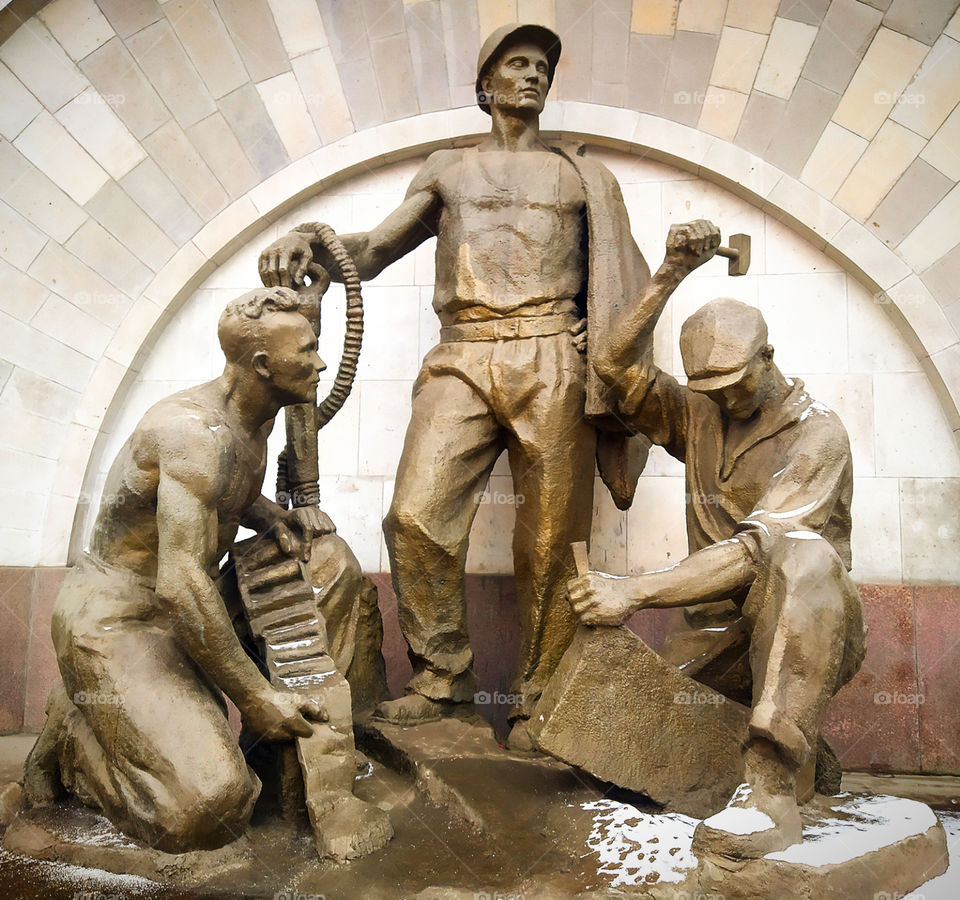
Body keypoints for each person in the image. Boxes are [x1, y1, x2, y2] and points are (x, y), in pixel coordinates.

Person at [259, 24, 650, 745]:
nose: (532, 76)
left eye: (541, 68)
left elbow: (622, 275)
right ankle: (442, 681)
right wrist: (309, 241)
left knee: (552, 538)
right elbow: (372, 250)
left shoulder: (580, 175)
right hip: (462, 353)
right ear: (486, 85)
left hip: (550, 353)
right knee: (415, 515)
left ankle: (540, 701)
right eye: (516, 64)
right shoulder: (449, 168)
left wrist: (603, 334)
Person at [23, 287, 386, 852]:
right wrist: (256, 698)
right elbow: (180, 583)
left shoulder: (257, 418)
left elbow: (219, 496)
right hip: (123, 619)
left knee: (329, 561)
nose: (320, 364)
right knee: (210, 809)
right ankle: (75, 731)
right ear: (262, 365)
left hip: (190, 597)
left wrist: (271, 516)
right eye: (307, 351)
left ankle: (275, 755)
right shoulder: (192, 433)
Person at [568, 220, 867, 857]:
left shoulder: (820, 435)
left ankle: (771, 787)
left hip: (799, 622)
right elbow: (612, 366)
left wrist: (632, 592)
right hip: (710, 637)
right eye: (710, 390)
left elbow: (758, 552)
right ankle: (800, 757)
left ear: (767, 357)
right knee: (600, 734)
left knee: (803, 557)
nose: (725, 401)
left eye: (736, 384)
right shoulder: (700, 411)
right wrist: (670, 272)